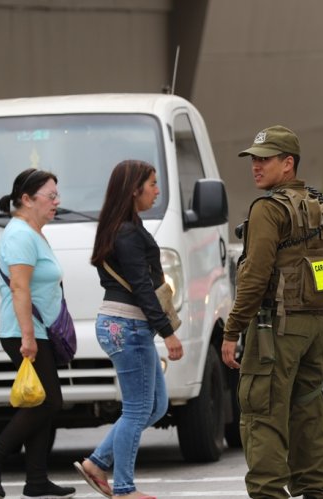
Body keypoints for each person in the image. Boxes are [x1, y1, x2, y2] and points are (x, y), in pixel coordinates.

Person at [222, 125, 323, 499]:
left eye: (265, 160)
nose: (256, 167)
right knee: (309, 415)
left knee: (262, 416)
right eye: (253, 160)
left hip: (275, 327)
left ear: (288, 163)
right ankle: (315, 491)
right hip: (318, 327)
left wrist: (231, 331)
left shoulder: (268, 209)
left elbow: (255, 277)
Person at [74, 160, 183, 499]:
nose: (157, 190)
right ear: (134, 189)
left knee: (156, 405)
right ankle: (123, 488)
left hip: (128, 325)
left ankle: (97, 462)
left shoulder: (124, 227)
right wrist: (168, 331)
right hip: (128, 325)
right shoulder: (127, 232)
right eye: (152, 183)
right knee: (138, 409)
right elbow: (141, 286)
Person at [0, 168, 75, 499]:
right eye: (51, 196)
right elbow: (19, 287)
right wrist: (28, 337)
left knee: (42, 399)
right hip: (25, 332)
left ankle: (37, 480)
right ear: (27, 199)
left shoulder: (32, 232)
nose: (57, 202)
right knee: (49, 401)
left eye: (57, 195)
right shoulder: (19, 235)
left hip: (36, 331)